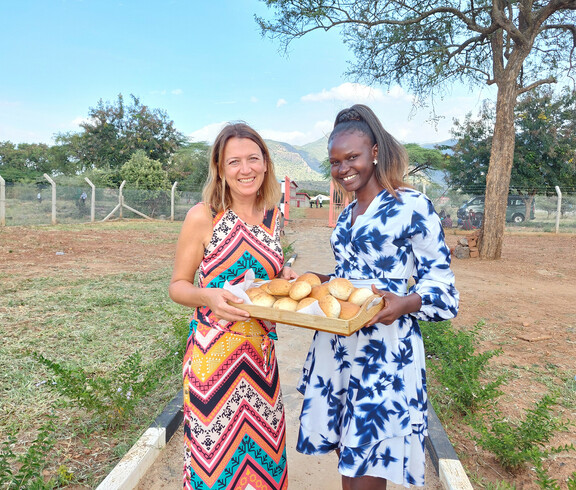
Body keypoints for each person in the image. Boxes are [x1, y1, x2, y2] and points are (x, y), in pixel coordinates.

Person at [295, 105, 459, 489]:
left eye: (351, 157)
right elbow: (350, 282)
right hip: (337, 348)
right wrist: (313, 279)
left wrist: (405, 303)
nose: (342, 169)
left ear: (374, 152)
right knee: (348, 464)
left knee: (367, 469)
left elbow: (443, 286)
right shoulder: (348, 214)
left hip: (384, 352)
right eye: (335, 162)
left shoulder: (410, 206)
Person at [169, 123, 295, 489]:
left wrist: (284, 279)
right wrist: (207, 295)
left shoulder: (274, 217)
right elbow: (177, 286)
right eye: (234, 162)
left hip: (261, 359)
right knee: (217, 469)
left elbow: (263, 279)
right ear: (221, 169)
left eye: (253, 159)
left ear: (266, 163)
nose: (245, 169)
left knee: (265, 463)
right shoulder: (204, 216)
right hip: (214, 361)